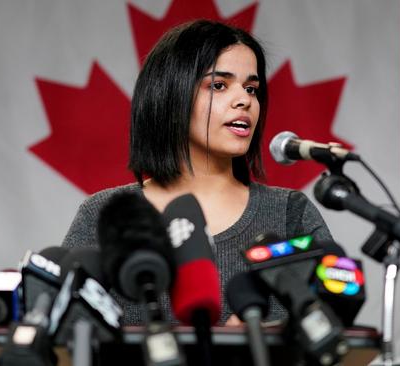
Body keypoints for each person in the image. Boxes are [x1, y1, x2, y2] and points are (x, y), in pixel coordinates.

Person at [62, 19, 344, 325]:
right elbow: (62, 333)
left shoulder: (290, 212)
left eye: (252, 88)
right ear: (171, 95)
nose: (244, 100)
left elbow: (338, 324)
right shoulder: (105, 214)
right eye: (219, 85)